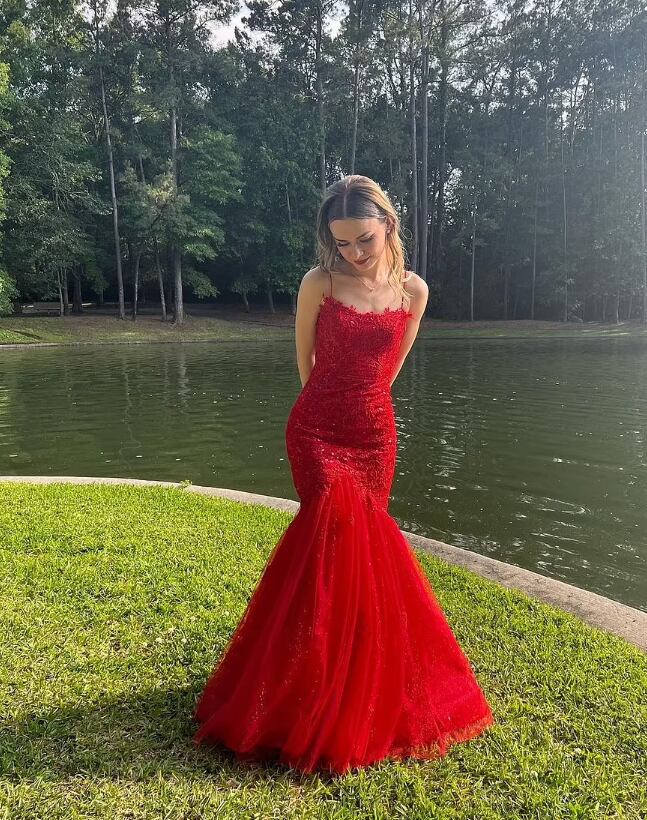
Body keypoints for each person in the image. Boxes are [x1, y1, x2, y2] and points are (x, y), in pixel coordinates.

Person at [192, 174, 495, 775]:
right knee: (327, 542)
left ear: (388, 224)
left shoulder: (413, 290)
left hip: (375, 434)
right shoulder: (319, 284)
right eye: (342, 243)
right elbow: (304, 361)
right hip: (317, 431)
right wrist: (326, 415)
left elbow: (391, 368)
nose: (353, 254)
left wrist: (366, 413)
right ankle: (297, 692)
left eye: (363, 239)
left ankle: (359, 683)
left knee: (364, 552)